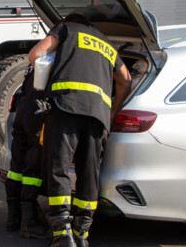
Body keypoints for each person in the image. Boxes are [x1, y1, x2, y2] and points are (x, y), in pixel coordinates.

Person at [28, 13, 131, 247]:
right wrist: (113, 111)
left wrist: (49, 76)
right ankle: (82, 234)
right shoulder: (106, 43)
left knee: (59, 168)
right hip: (98, 116)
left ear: (68, 22)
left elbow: (34, 55)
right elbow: (125, 79)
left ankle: (62, 234)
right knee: (89, 173)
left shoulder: (65, 30)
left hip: (66, 107)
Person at [5, 65, 49, 239]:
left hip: (22, 107)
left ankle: (13, 218)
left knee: (16, 165)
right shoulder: (63, 53)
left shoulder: (41, 57)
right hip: (38, 112)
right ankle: (29, 223)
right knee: (33, 167)